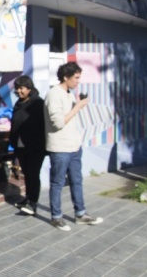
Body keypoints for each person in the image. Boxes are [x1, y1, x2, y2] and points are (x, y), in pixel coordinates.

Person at [44, 61, 103, 231]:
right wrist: (78, 106)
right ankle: (56, 217)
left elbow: (68, 118)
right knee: (57, 182)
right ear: (65, 77)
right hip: (60, 147)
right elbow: (58, 122)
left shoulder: (68, 93)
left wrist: (77, 105)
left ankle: (81, 214)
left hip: (74, 146)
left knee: (77, 180)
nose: (78, 81)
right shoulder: (54, 94)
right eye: (76, 78)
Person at [9, 75, 46, 215]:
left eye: (21, 88)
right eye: (17, 88)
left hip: (35, 146)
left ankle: (33, 203)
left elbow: (42, 126)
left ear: (29, 88)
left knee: (33, 174)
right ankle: (28, 198)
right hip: (20, 145)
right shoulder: (18, 103)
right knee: (27, 173)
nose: (19, 91)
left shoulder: (38, 103)